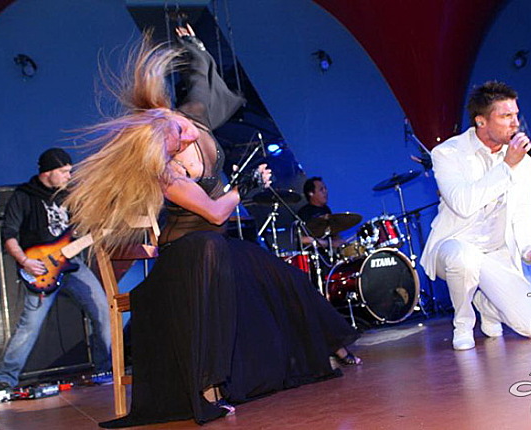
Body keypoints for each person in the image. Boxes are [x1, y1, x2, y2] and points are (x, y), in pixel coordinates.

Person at [65, 27, 359, 427]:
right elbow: (216, 212)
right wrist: (244, 189)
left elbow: (200, 78)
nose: (187, 135)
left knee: (281, 274)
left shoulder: (190, 119)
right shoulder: (166, 172)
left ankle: (326, 346)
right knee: (216, 253)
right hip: (187, 253)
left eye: (180, 126)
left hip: (215, 246)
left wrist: (194, 47)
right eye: (177, 139)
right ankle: (206, 388)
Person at [420, 81, 531, 351]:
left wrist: (529, 248)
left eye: (516, 115)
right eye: (506, 116)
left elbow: (523, 208)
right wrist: (507, 166)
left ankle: (485, 301)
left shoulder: (520, 159)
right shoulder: (447, 153)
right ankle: (463, 323)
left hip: (496, 253)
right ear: (481, 121)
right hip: (454, 246)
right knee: (464, 258)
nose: (515, 123)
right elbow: (463, 204)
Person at [0, 148, 111, 393]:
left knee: (102, 310)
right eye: (64, 172)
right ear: (48, 172)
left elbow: (78, 230)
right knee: (29, 325)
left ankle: (105, 369)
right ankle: (4, 378)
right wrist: (25, 261)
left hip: (73, 264)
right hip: (41, 268)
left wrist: (103, 228)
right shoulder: (24, 196)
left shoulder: (69, 195)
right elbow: (9, 236)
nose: (69, 176)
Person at [297, 177, 345, 249]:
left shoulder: (326, 209)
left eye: (325, 188)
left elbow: (333, 232)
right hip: (313, 253)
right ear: (311, 193)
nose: (325, 191)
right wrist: (328, 243)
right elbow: (303, 239)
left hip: (327, 252)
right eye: (321, 189)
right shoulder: (304, 212)